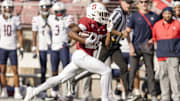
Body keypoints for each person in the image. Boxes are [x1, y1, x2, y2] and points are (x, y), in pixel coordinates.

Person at [24, 2, 114, 101]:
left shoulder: (101, 28)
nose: (104, 17)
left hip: (84, 57)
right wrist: (84, 41)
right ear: (93, 13)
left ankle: (33, 91)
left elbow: (107, 45)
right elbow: (71, 33)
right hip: (81, 55)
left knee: (60, 78)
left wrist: (109, 32)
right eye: (102, 14)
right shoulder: (87, 21)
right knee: (106, 71)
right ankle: (105, 98)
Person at [125, 0, 159, 101]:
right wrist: (130, 45)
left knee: (150, 71)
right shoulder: (134, 16)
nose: (144, 4)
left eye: (146, 2)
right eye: (141, 2)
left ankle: (153, 95)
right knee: (132, 71)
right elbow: (127, 31)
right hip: (136, 46)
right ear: (138, 4)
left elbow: (159, 30)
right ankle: (129, 92)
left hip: (148, 47)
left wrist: (153, 39)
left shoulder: (154, 16)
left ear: (149, 3)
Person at [152, 7, 180, 101]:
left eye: (169, 13)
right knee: (163, 77)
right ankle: (165, 98)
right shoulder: (157, 25)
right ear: (162, 14)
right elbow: (155, 39)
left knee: (175, 78)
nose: (167, 15)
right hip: (161, 55)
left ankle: (176, 97)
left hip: (174, 55)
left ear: (172, 14)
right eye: (165, 13)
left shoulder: (177, 24)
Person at [48, 2, 74, 98]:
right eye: (57, 12)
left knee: (66, 70)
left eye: (61, 11)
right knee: (54, 71)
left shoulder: (68, 18)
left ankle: (68, 90)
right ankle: (55, 90)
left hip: (64, 46)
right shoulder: (50, 18)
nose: (59, 14)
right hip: (54, 47)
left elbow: (72, 29)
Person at [0, 0, 23, 99]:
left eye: (10, 8)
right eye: (7, 8)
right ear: (3, 8)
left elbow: (20, 35)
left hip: (13, 47)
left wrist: (21, 46)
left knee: (15, 71)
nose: (8, 10)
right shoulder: (0, 19)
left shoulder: (16, 19)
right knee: (2, 70)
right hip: (2, 47)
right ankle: (4, 90)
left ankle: (17, 91)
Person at [31, 0, 52, 99]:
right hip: (43, 47)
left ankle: (54, 91)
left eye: (47, 7)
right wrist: (34, 46)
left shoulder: (53, 18)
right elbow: (34, 33)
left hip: (53, 47)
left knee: (54, 70)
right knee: (43, 70)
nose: (45, 9)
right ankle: (43, 91)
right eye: (43, 7)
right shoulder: (36, 19)